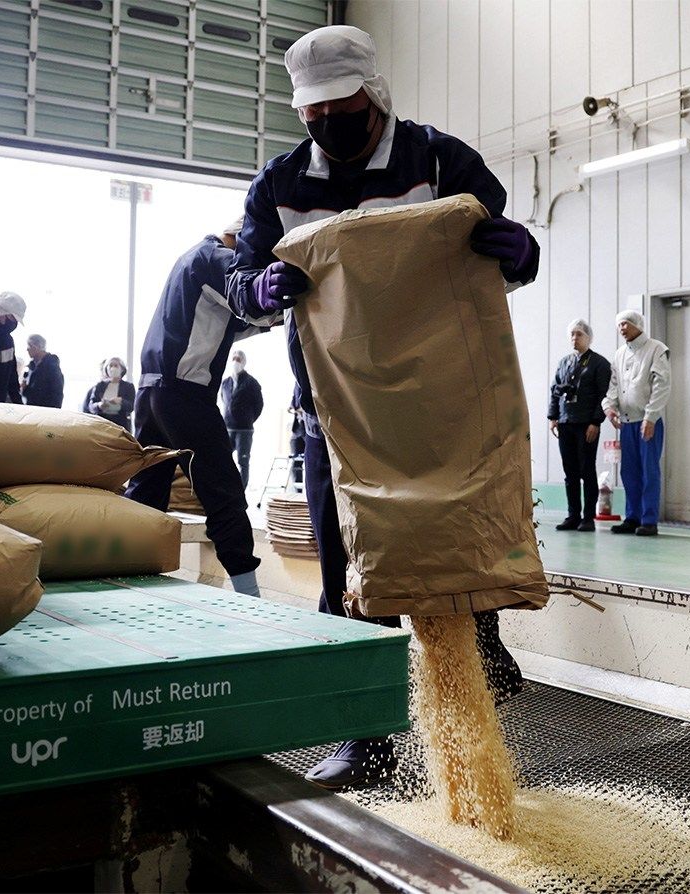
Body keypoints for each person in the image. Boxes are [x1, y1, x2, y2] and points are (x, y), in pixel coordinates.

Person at [225, 25, 538, 789]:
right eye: (314, 112)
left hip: (443, 410)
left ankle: (475, 708)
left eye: (344, 105)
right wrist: (259, 292)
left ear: (376, 94)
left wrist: (522, 253)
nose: (329, 121)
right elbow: (240, 279)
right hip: (338, 418)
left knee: (458, 551)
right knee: (347, 579)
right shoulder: (280, 186)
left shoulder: (438, 160)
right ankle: (362, 741)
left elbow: (497, 254)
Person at [124, 217, 272, 599]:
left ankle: (127, 576)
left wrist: (269, 319)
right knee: (223, 490)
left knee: (147, 489)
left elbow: (227, 324)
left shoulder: (190, 259)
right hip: (185, 396)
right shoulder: (218, 258)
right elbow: (251, 302)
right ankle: (248, 594)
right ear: (242, 239)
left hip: (151, 392)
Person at [603, 310, 671, 537]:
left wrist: (651, 416)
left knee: (649, 471)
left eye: (626, 324)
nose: (622, 328)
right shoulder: (620, 354)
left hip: (647, 421)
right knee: (629, 472)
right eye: (619, 325)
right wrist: (609, 407)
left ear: (637, 325)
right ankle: (632, 517)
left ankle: (649, 520)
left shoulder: (656, 349)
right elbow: (614, 385)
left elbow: (662, 385)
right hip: (627, 423)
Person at [548, 318, 612, 532]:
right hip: (566, 422)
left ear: (589, 337)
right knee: (570, 471)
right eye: (572, 334)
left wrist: (596, 421)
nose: (575, 338)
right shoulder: (564, 362)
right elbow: (555, 390)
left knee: (587, 470)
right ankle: (572, 515)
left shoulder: (599, 364)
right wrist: (553, 417)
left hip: (586, 424)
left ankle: (588, 518)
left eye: (579, 334)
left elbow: (603, 395)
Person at [221, 350, 264, 488]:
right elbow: (224, 400)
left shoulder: (251, 383)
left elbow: (259, 405)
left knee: (243, 461)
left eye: (238, 359)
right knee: (224, 458)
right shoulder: (225, 382)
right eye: (233, 358)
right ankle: (226, 487)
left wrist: (248, 419)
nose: (235, 361)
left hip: (244, 430)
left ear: (243, 361)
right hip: (227, 427)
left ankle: (241, 490)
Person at [83, 357, 135, 430]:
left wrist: (121, 401)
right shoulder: (100, 385)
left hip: (120, 424)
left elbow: (131, 407)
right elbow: (91, 406)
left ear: (122, 369)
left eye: (116, 365)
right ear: (106, 369)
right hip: (101, 423)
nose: (113, 368)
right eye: (110, 365)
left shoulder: (128, 386)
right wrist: (99, 405)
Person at [23, 334, 64, 408]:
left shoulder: (51, 368)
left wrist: (26, 389)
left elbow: (52, 395)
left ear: (37, 347)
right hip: (35, 411)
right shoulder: (33, 367)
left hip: (44, 413)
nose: (27, 349)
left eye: (29, 346)